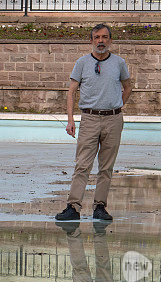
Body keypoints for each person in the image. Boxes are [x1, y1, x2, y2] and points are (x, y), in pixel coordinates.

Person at [56, 23, 133, 223]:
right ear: (91, 40)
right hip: (89, 119)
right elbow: (72, 91)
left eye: (105, 37)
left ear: (110, 40)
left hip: (113, 120)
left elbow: (127, 86)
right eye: (97, 37)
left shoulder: (119, 63)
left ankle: (100, 207)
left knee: (106, 167)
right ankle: (73, 207)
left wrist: (116, 105)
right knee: (82, 165)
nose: (101, 41)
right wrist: (70, 120)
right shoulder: (82, 63)